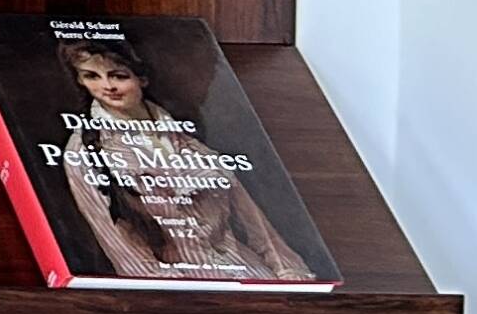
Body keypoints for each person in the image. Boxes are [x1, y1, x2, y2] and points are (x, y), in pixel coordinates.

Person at [56, 36, 314, 280]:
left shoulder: (190, 135)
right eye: (91, 76)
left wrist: (288, 275)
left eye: (118, 75)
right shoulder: (84, 153)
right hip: (181, 293)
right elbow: (127, 256)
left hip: (251, 275)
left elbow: (258, 227)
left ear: (141, 78)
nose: (107, 87)